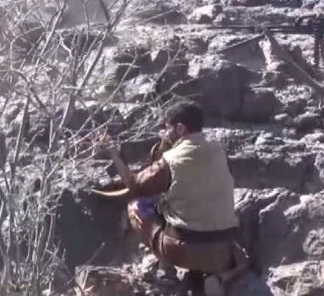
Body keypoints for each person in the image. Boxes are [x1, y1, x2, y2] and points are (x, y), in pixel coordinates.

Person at [99, 100, 247, 294]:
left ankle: (166, 269)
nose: (164, 133)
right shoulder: (219, 150)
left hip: (182, 251)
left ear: (180, 128)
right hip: (222, 251)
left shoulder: (172, 159)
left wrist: (111, 150)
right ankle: (214, 276)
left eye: (167, 128)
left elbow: (134, 186)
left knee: (137, 205)